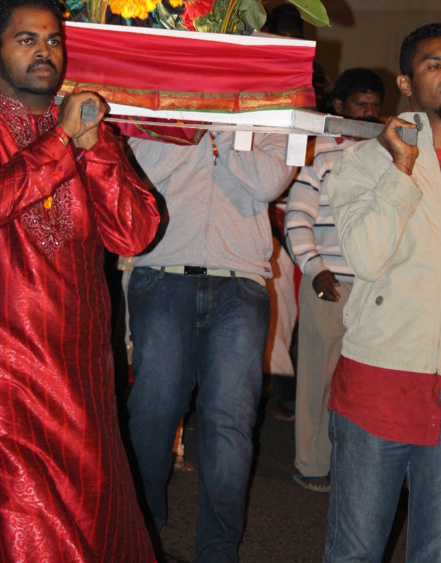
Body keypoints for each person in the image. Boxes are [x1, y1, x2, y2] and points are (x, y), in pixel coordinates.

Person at [0, 0, 160, 563]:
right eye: (26, 40)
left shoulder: (85, 129)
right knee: (23, 531)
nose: (44, 52)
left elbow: (134, 232)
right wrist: (61, 142)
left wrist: (94, 146)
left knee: (99, 527)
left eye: (54, 40)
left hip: (76, 372)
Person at [324, 23, 441, 562]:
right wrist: (402, 169)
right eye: (435, 64)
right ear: (405, 83)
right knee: (355, 553)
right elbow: (369, 256)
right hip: (378, 388)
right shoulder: (362, 164)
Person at [126, 130, 296, 562]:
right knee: (152, 414)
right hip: (162, 275)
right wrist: (187, 126)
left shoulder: (278, 108)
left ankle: (218, 552)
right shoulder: (159, 106)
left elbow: (270, 182)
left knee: (229, 425)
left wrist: (224, 130)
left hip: (240, 285)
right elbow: (138, 171)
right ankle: (141, 534)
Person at [285, 68, 384, 492]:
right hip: (329, 284)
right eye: (360, 104)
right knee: (318, 378)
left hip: (374, 290)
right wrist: (315, 268)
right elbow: (297, 219)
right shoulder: (320, 155)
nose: (369, 113)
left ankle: (356, 465)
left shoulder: (388, 154)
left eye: (375, 106)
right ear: (339, 108)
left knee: (365, 381)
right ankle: (312, 463)